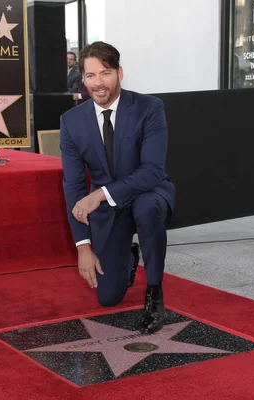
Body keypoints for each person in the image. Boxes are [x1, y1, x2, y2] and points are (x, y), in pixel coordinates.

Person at [60, 41, 175, 335]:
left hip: (149, 191)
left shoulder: (149, 108)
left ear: (120, 73)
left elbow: (151, 172)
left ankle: (154, 291)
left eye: (106, 73)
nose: (98, 83)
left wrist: (99, 193)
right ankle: (128, 256)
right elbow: (73, 186)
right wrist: (83, 246)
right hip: (111, 207)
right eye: (90, 76)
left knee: (146, 207)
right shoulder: (71, 122)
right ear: (82, 79)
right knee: (108, 297)